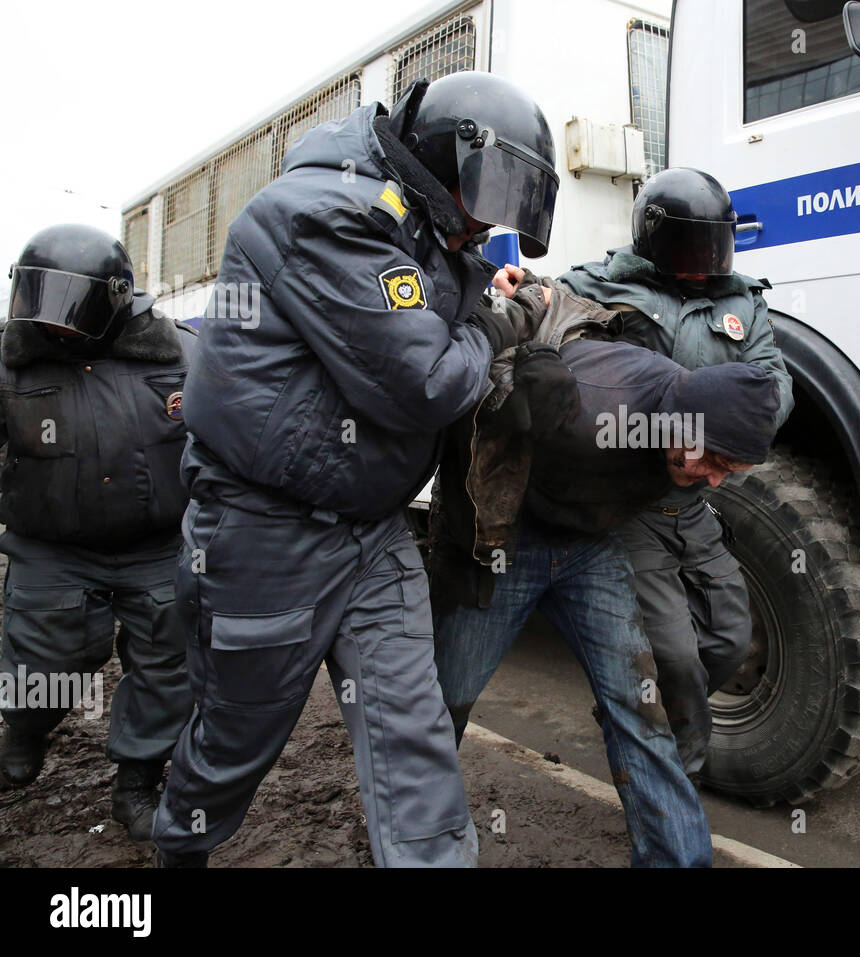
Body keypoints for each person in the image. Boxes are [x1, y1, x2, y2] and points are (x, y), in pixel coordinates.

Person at [150, 71, 560, 868]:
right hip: (266, 528)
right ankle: (179, 849)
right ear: (446, 162)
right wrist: (502, 316)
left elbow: (434, 326)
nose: (487, 223)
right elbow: (430, 381)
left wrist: (480, 293)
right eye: (485, 197)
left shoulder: (425, 228)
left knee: (416, 738)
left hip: (371, 531)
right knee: (239, 735)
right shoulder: (323, 212)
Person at [430, 273, 782, 867]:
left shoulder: (687, 434)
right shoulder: (595, 407)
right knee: (445, 701)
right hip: (509, 543)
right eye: (715, 461)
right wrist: (515, 381)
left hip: (591, 548)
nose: (716, 480)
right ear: (683, 423)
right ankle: (415, 841)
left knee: (641, 708)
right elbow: (457, 406)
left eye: (731, 471)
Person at [556, 167, 794, 779]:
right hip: (632, 505)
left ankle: (637, 704)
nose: (703, 261)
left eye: (713, 246)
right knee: (676, 656)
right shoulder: (598, 285)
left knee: (730, 641)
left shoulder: (743, 300)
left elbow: (774, 382)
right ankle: (674, 775)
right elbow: (553, 336)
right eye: (690, 247)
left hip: (696, 504)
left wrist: (728, 420)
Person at [0, 224, 196, 842]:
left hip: (157, 548)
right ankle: (26, 731)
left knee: (170, 667)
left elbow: (229, 441)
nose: (54, 325)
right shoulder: (11, 365)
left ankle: (137, 779)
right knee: (45, 655)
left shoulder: (181, 356)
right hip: (51, 548)